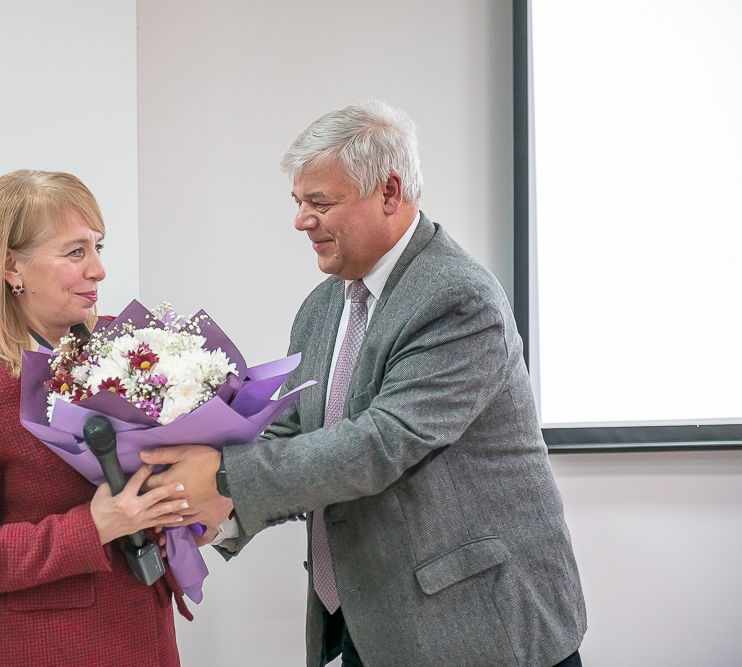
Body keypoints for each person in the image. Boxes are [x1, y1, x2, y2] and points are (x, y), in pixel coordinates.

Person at [141, 101, 588, 667]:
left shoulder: (458, 298)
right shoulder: (322, 305)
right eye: (298, 202)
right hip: (371, 622)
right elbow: (292, 432)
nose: (301, 221)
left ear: (389, 192)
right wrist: (212, 509)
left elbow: (380, 443)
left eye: (320, 203)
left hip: (479, 629)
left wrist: (224, 477)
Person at [0, 170, 191, 667]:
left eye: (98, 247)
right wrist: (93, 526)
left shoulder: (122, 346)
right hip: (53, 648)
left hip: (147, 636)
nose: (98, 270)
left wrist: (187, 505)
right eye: (75, 252)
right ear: (11, 267)